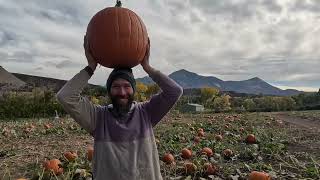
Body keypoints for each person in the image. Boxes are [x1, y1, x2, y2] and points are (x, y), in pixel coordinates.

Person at [56, 36, 183, 180]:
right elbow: (65, 96)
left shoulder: (147, 113)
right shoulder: (97, 118)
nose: (122, 93)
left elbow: (175, 91)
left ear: (133, 90)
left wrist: (148, 67)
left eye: (127, 86)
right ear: (109, 90)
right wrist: (91, 67)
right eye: (116, 86)